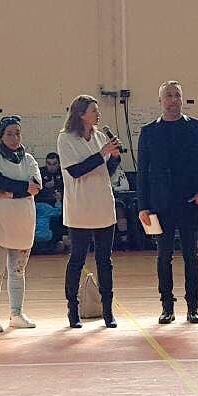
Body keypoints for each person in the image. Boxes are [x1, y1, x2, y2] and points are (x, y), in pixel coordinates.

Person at [137, 81, 198, 324]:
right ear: (160, 101)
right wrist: (143, 207)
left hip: (190, 203)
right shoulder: (148, 132)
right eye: (168, 96)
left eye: (177, 95)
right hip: (158, 207)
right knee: (163, 256)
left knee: (192, 255)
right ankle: (166, 306)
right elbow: (142, 173)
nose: (173, 100)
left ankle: (193, 306)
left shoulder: (197, 127)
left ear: (182, 99)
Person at [57, 95, 122, 328]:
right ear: (81, 114)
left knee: (105, 260)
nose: (98, 114)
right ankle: (72, 310)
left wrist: (114, 157)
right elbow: (76, 170)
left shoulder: (99, 136)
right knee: (77, 259)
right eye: (94, 110)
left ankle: (108, 310)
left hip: (103, 205)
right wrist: (102, 153)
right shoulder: (66, 139)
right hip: (80, 208)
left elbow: (106, 171)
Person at [0, 116, 41, 333]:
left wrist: (12, 192)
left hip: (23, 224)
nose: (14, 138)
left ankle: (16, 313)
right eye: (9, 134)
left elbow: (36, 186)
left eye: (17, 133)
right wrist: (21, 190)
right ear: (1, 136)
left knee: (17, 271)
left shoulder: (29, 159)